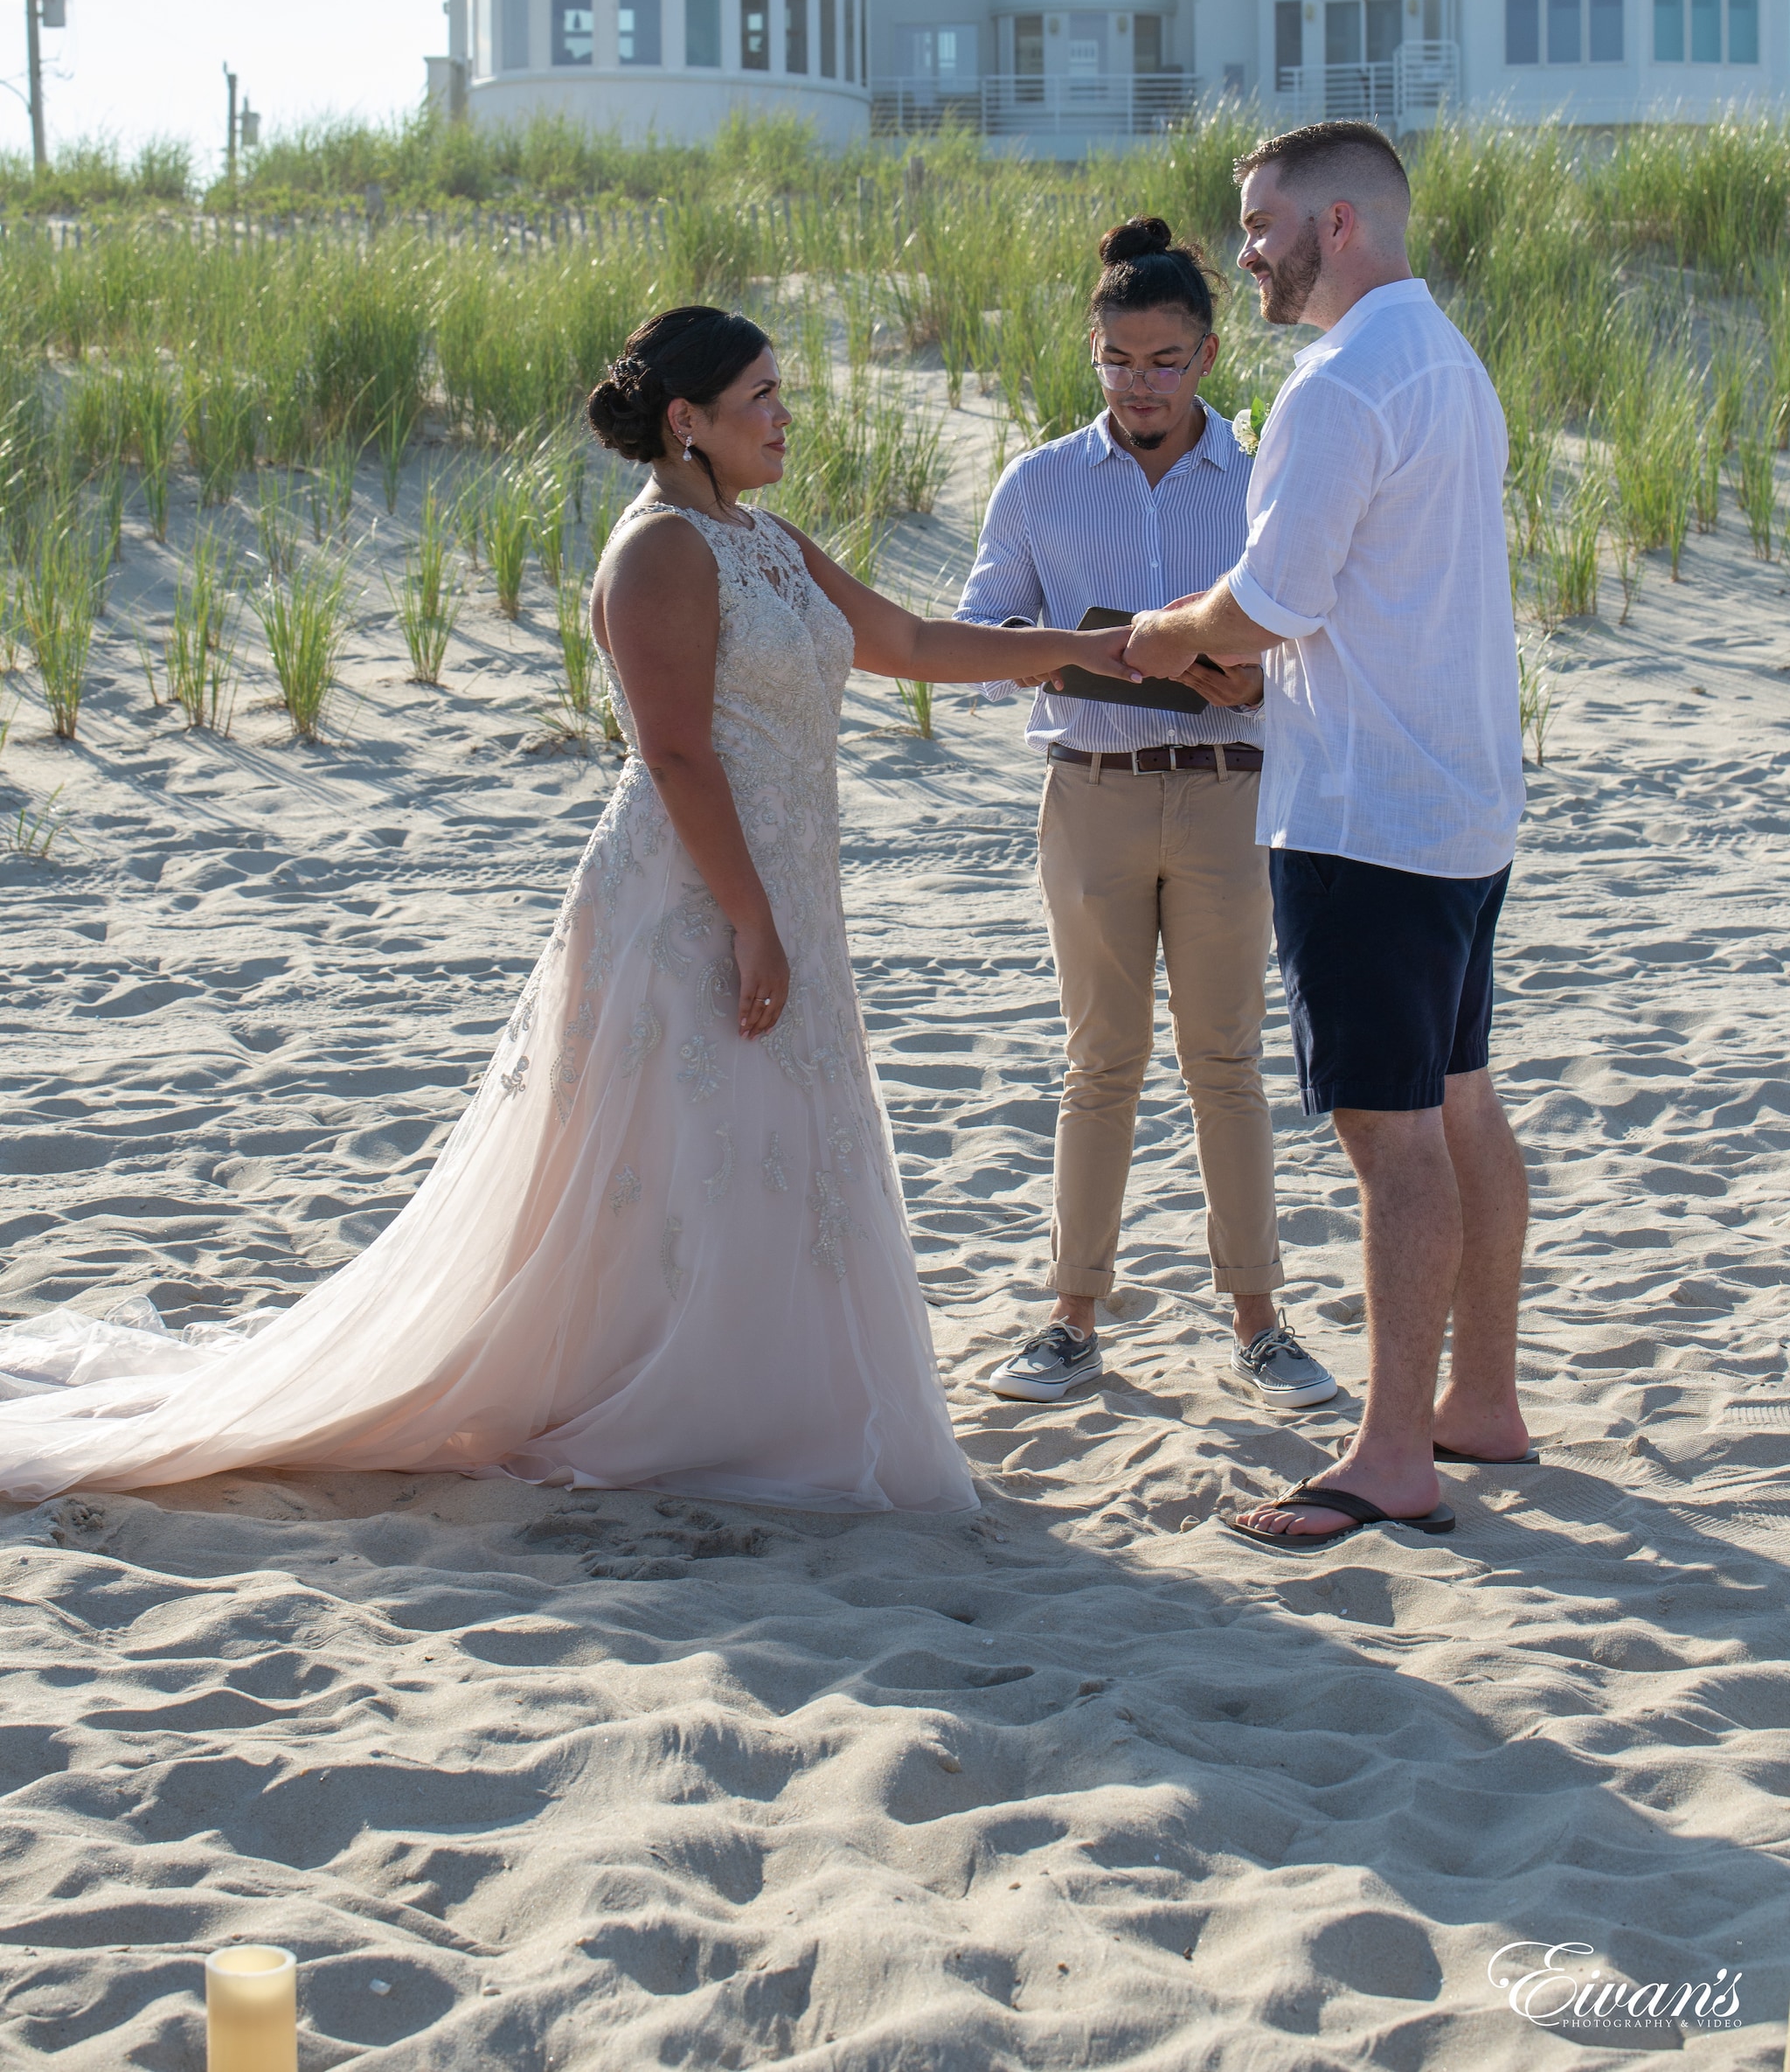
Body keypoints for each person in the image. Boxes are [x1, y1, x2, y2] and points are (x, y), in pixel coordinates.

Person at [0, 306, 1139, 1512]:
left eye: (780, 391)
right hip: (694, 889)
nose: (785, 413)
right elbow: (676, 756)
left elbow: (907, 639)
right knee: (679, 1146)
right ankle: (667, 1401)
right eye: (761, 395)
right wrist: (754, 918)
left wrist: (1102, 654)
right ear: (686, 420)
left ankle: (748, 1396)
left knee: (767, 1142)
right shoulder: (657, 553)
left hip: (788, 881)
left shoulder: (764, 537)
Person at [1123, 123, 1529, 1551]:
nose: (1244, 251)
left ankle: (1393, 1455)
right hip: (1463, 801)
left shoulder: (1344, 380)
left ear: (1339, 224)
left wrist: (1156, 637)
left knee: (1391, 1136)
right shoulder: (1446, 358)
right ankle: (1483, 1402)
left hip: (1365, 815)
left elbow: (1266, 606)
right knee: (1462, 1101)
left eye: (1260, 223)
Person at [959, 219, 1337, 1415]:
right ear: (1095, 353)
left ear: (1209, 356)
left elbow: (1320, 637)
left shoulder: (1267, 472)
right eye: (1119, 360)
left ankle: (1262, 1327)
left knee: (1226, 1062)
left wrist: (1245, 676)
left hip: (1233, 797)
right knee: (1098, 1066)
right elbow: (986, 641)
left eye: (1165, 360)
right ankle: (1071, 1319)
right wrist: (1148, 662)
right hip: (1092, 797)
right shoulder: (1040, 482)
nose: (1140, 384)